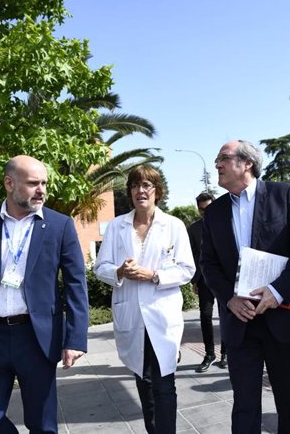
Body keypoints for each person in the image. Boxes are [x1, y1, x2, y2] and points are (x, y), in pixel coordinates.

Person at [0, 155, 89, 434]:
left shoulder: (60, 225)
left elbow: (76, 285)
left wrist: (75, 338)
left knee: (42, 425)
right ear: (9, 183)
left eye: (44, 183)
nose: (42, 190)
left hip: (37, 338)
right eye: (33, 183)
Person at [201, 140, 290, 433]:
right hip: (240, 322)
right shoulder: (214, 213)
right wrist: (228, 299)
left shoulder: (283, 195)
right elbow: (209, 264)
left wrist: (277, 291)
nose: (217, 165)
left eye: (223, 158)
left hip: (281, 316)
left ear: (246, 163)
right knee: (244, 404)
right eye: (217, 160)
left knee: (288, 399)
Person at [94, 165, 195, 434]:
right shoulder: (117, 226)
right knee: (143, 380)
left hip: (162, 316)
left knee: (164, 383)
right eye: (136, 185)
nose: (141, 190)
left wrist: (154, 275)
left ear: (157, 191)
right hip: (131, 315)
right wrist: (119, 271)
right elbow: (99, 267)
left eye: (147, 185)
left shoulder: (173, 225)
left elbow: (187, 269)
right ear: (129, 191)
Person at [187, 191, 227, 372]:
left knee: (226, 315)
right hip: (204, 280)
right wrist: (194, 280)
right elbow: (192, 256)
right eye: (202, 209)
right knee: (205, 316)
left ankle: (226, 353)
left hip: (224, 278)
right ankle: (209, 354)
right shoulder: (193, 229)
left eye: (208, 208)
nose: (205, 212)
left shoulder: (225, 223)